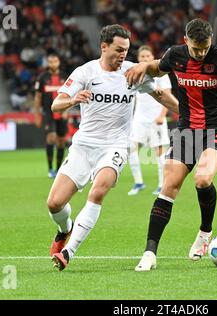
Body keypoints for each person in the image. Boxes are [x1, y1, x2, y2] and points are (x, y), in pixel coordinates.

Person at [125, 18, 217, 271]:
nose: (201, 53)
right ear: (186, 41)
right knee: (169, 186)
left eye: (205, 48)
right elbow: (156, 67)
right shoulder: (175, 55)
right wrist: (143, 66)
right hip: (187, 130)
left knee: (203, 179)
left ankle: (204, 233)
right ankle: (150, 254)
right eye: (196, 49)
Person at [48, 24, 179, 271]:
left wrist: (188, 114)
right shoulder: (85, 72)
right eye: (119, 50)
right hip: (84, 146)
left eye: (126, 50)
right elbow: (56, 104)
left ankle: (69, 251)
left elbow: (160, 95)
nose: (123, 55)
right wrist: (73, 100)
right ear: (104, 46)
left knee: (98, 191)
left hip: (115, 146)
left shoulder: (132, 72)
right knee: (54, 203)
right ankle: (64, 229)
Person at [128, 45, 172, 196]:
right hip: (139, 118)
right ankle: (138, 182)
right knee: (131, 149)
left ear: (152, 58)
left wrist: (162, 115)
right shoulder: (135, 73)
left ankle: (161, 185)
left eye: (148, 56)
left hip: (156, 118)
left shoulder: (161, 75)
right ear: (138, 59)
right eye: (142, 57)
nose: (145, 59)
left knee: (159, 153)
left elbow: (168, 97)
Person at [34, 51, 69, 178]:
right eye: (50, 62)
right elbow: (37, 97)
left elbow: (70, 95)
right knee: (51, 138)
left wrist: (67, 110)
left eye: (55, 61)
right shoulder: (42, 78)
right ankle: (50, 169)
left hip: (62, 112)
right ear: (48, 63)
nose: (53, 64)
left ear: (58, 62)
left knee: (61, 141)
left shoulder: (65, 77)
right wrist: (37, 115)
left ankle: (58, 169)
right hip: (48, 112)